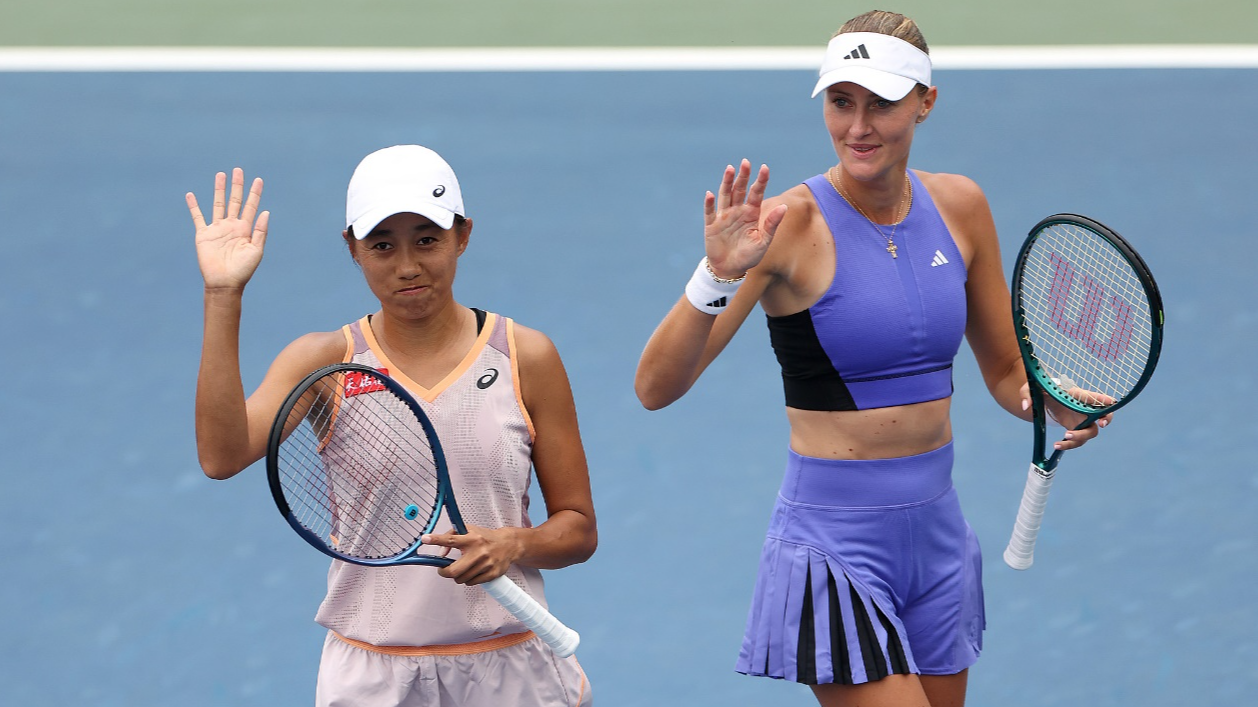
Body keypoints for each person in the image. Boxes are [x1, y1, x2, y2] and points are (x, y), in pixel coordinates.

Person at [634, 11, 1111, 707]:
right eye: (840, 102)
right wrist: (716, 277)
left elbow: (1010, 375)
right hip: (834, 548)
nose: (857, 126)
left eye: (881, 103)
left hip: (937, 538)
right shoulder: (787, 227)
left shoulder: (962, 207)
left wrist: (1055, 404)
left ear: (926, 101)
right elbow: (656, 386)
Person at [189, 144, 597, 707]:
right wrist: (222, 294)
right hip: (373, 678)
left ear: (463, 235)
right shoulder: (323, 363)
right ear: (353, 249)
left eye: (427, 239)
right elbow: (221, 455)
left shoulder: (524, 356)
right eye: (382, 245)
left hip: (510, 669)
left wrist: (515, 544)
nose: (407, 265)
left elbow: (578, 529)